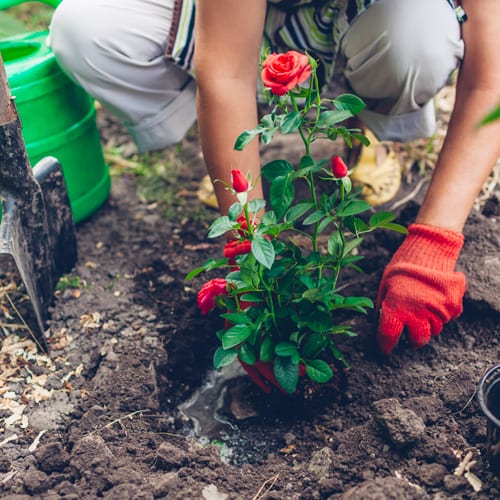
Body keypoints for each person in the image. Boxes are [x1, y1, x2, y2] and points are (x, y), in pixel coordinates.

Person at [48, 0, 500, 355]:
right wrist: (250, 262)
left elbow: (490, 81)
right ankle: (238, 154)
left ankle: (363, 131)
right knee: (84, 29)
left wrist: (434, 242)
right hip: (235, 17)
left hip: (371, 20)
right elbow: (225, 70)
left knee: (416, 40)